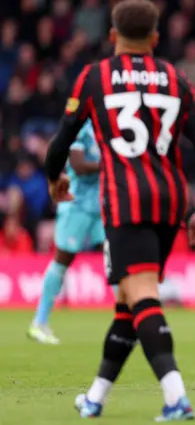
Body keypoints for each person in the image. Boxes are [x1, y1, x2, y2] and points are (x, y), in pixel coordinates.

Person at [44, 0, 195, 420]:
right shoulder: (176, 77)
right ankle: (95, 398)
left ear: (112, 37)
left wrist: (55, 177)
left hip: (125, 199)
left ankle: (176, 397)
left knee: (141, 296)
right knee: (128, 302)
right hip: (170, 200)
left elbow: (63, 137)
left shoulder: (95, 76)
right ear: (156, 39)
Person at [28, 120, 103, 344]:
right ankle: (39, 323)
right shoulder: (82, 127)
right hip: (76, 204)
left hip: (102, 205)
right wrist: (110, 164)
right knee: (63, 259)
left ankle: (131, 323)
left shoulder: (110, 124)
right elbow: (78, 165)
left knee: (116, 259)